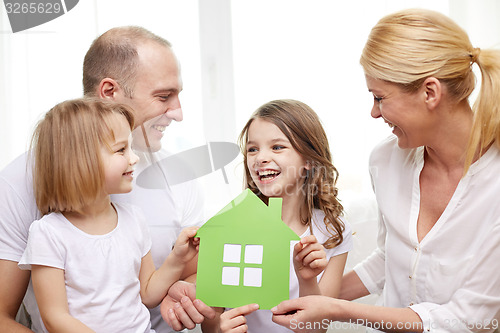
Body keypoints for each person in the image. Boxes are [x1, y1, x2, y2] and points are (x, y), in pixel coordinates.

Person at [271, 8, 500, 333]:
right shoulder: (386, 161)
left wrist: (336, 309)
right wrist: (296, 298)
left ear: (430, 92)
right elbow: (390, 258)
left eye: (380, 97)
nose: (374, 113)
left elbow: (467, 319)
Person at [0, 26, 213, 333]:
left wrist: (181, 285)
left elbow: (169, 281)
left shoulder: (172, 182)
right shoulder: (21, 187)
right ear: (110, 92)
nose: (178, 113)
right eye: (164, 96)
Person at [17, 98, 200, 332]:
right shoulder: (48, 233)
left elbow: (147, 293)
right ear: (81, 161)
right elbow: (55, 317)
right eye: (121, 149)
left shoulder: (134, 220)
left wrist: (177, 259)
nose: (134, 158)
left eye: (131, 148)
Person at [201, 99, 353, 333]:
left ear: (309, 160)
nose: (260, 158)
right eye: (253, 149)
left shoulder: (332, 231)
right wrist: (217, 328)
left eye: (277, 147)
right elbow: (210, 320)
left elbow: (317, 329)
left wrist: (307, 279)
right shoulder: (230, 224)